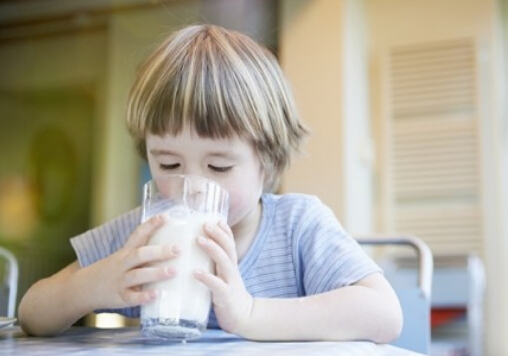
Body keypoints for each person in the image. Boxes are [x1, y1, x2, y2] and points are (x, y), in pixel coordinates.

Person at [18, 24, 403, 342]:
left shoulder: (297, 227)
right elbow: (32, 313)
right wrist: (91, 286)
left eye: (218, 167)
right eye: (168, 163)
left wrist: (251, 313)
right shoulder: (144, 236)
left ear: (267, 161)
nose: (194, 185)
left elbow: (384, 314)